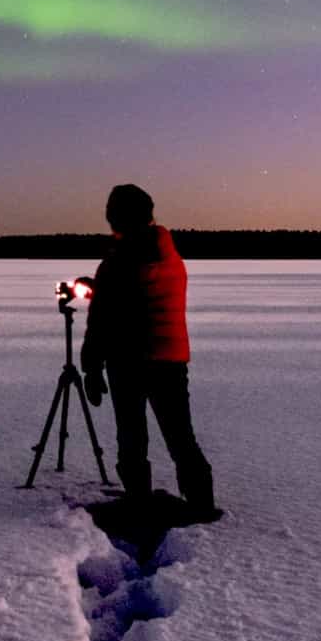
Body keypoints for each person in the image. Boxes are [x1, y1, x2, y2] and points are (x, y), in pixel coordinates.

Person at [81, 183, 219, 519]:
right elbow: (141, 295)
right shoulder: (168, 253)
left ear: (118, 217)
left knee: (131, 436)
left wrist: (91, 366)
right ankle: (201, 503)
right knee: (180, 436)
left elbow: (105, 318)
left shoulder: (119, 260)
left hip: (129, 360)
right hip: (171, 358)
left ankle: (138, 501)